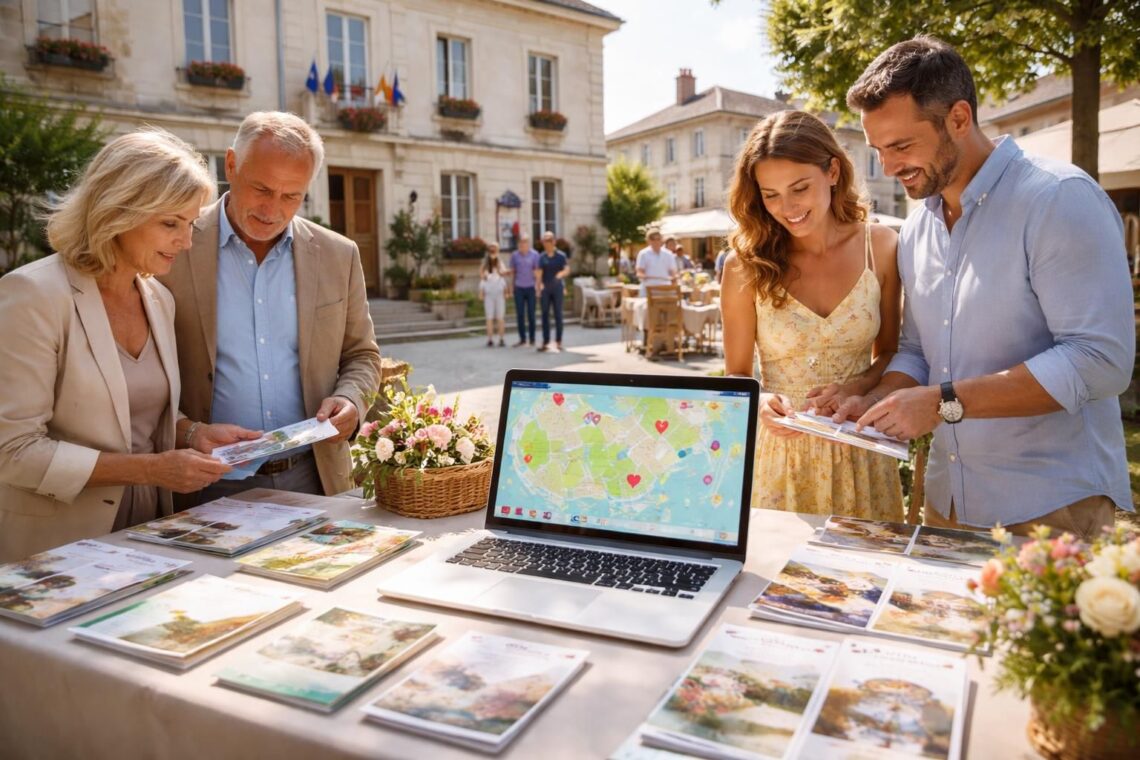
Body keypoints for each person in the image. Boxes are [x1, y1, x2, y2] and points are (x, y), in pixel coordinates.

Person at [833, 36, 1133, 539]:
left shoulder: (1059, 200)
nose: (888, 167)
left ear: (958, 118)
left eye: (902, 145)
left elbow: (1100, 361)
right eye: (878, 151)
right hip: (947, 500)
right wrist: (875, 398)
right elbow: (915, 351)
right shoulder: (919, 226)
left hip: (1052, 508)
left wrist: (941, 403)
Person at [0, 130, 258, 561]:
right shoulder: (33, 294)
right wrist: (154, 469)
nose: (186, 241)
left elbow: (135, 409)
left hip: (150, 535)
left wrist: (194, 433)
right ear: (116, 213)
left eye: (190, 223)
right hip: (58, 547)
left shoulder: (159, 298)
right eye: (170, 223)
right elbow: (14, 451)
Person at [162, 111, 381, 503]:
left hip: (314, 478)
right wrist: (189, 431)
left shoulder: (338, 255)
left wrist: (351, 399)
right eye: (261, 189)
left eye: (291, 196)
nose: (273, 210)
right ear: (231, 165)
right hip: (205, 484)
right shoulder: (175, 248)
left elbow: (362, 355)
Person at [721, 110, 904, 517]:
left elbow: (892, 354)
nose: (787, 208)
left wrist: (859, 387)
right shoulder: (743, 266)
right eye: (771, 195)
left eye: (799, 188)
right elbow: (735, 375)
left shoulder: (882, 247)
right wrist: (762, 400)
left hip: (860, 449)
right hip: (779, 457)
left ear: (833, 171)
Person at [536, 230, 570, 352]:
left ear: (554, 241)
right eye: (545, 240)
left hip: (557, 289)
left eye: (549, 240)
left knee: (558, 315)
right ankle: (545, 342)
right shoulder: (542, 257)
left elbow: (567, 270)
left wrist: (560, 274)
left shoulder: (561, 256)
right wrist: (538, 287)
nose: (547, 243)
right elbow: (539, 274)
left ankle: (558, 342)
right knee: (545, 315)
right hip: (545, 290)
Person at [509, 234, 540, 347]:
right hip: (519, 288)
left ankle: (532, 339)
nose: (522, 244)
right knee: (520, 314)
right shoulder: (514, 255)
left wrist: (538, 286)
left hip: (531, 287)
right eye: (521, 242)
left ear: (528, 243)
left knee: (531, 314)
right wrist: (511, 286)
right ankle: (522, 339)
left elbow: (537, 272)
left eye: (525, 242)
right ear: (518, 244)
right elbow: (513, 272)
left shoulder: (535, 255)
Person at [479, 243, 508, 347]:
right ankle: (490, 339)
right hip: (489, 294)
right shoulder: (485, 263)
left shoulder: (500, 262)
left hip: (499, 293)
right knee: (489, 317)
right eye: (491, 249)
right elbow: (482, 277)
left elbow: (504, 277)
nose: (492, 251)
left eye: (494, 249)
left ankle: (501, 338)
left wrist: (506, 292)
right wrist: (481, 292)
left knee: (500, 317)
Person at [635, 227, 677, 295]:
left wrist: (674, 278)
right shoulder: (643, 254)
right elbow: (639, 272)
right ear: (648, 240)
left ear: (661, 240)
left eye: (658, 239)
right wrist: (645, 276)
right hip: (648, 288)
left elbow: (673, 273)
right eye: (653, 239)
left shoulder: (669, 254)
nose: (656, 241)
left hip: (665, 288)